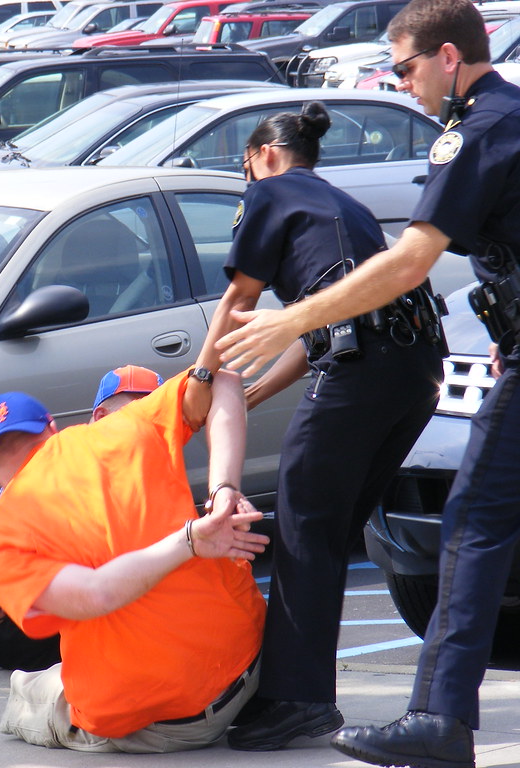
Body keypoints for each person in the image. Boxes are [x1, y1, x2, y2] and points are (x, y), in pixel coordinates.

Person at [214, 1, 520, 766]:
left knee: (465, 526)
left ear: (449, 57)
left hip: (374, 367)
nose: (403, 86)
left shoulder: (478, 127)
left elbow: (407, 264)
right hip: (444, 361)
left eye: (407, 69)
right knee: (414, 527)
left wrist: (268, 336)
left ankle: (418, 719)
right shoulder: (502, 120)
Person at [178, 102, 446, 753]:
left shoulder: (270, 191)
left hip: (368, 365)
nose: (248, 181)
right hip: (414, 365)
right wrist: (263, 388)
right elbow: (331, 314)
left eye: (246, 169)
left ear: (264, 156)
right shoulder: (340, 204)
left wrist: (204, 377)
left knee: (301, 517)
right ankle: (302, 691)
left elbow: (240, 301)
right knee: (327, 526)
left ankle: (297, 699)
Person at [0, 371, 269, 754]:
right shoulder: (130, 426)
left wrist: (189, 541)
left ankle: (29, 690)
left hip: (168, 725)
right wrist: (223, 488)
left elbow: (95, 595)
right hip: (255, 663)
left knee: (33, 693)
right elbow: (224, 381)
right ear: (52, 427)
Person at [0, 364, 164, 671]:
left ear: (53, 436)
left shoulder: (110, 477)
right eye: (5, 451)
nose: (23, 459)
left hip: (73, 651)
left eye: (32, 445)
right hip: (19, 650)